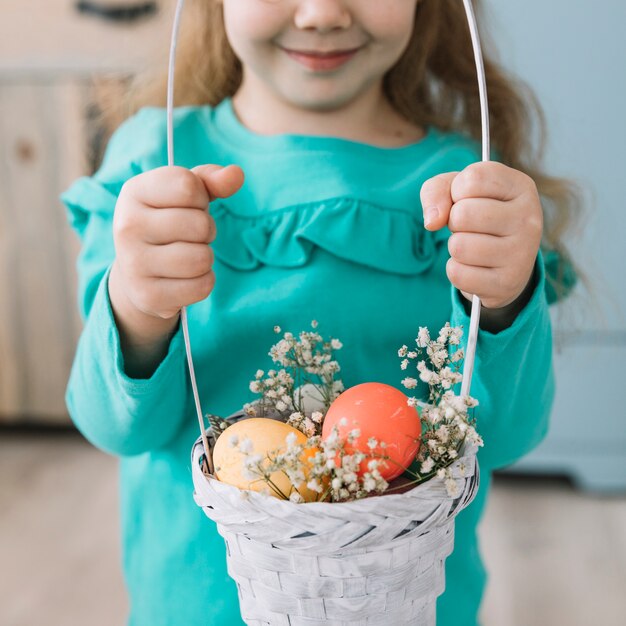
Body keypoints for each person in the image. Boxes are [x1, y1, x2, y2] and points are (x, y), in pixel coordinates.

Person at [60, 1, 580, 624]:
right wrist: (138, 306)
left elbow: (509, 436)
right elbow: (115, 428)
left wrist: (506, 298)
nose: (323, 13)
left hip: (404, 606)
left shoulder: (467, 189)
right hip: (200, 606)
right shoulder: (155, 166)